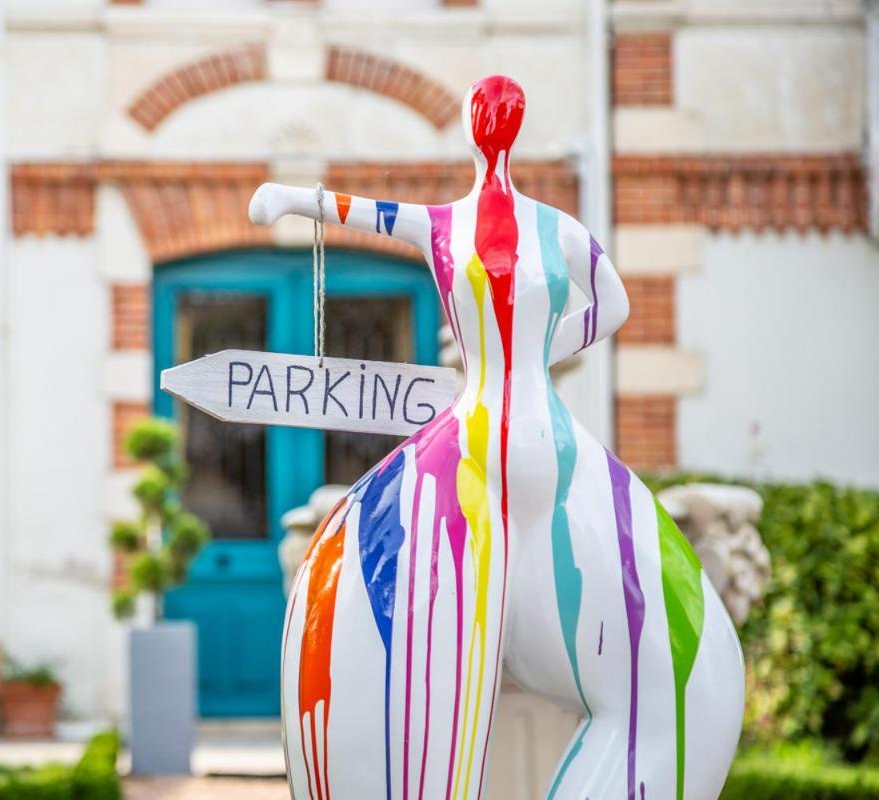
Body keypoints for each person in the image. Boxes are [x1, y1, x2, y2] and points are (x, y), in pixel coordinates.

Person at [251, 75, 744, 800]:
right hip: (537, 437)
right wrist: (547, 343)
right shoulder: (530, 228)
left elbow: (365, 212)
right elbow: (611, 306)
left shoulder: (458, 224)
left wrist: (293, 201)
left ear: (482, 130)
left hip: (489, 431)